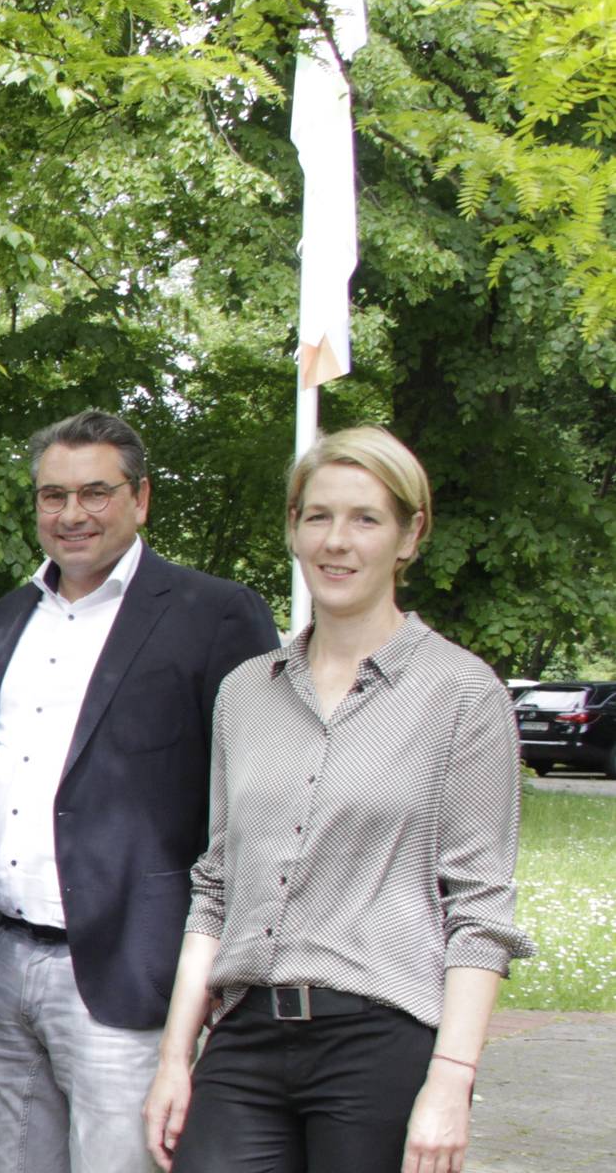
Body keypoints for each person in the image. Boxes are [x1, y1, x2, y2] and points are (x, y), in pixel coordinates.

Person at [143, 426, 534, 1172]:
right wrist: (174, 1056)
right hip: (247, 1037)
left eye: (365, 519)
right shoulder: (244, 694)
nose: (337, 541)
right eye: (318, 516)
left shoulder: (461, 695)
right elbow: (216, 888)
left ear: (410, 534)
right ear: (292, 528)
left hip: (380, 1042)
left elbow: (480, 911)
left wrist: (452, 1082)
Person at [0, 411, 277, 1173]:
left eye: (95, 493)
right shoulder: (10, 616)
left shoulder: (214, 615)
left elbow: (258, 801)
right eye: (52, 496)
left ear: (142, 498)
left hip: (130, 975)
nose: (71, 515)